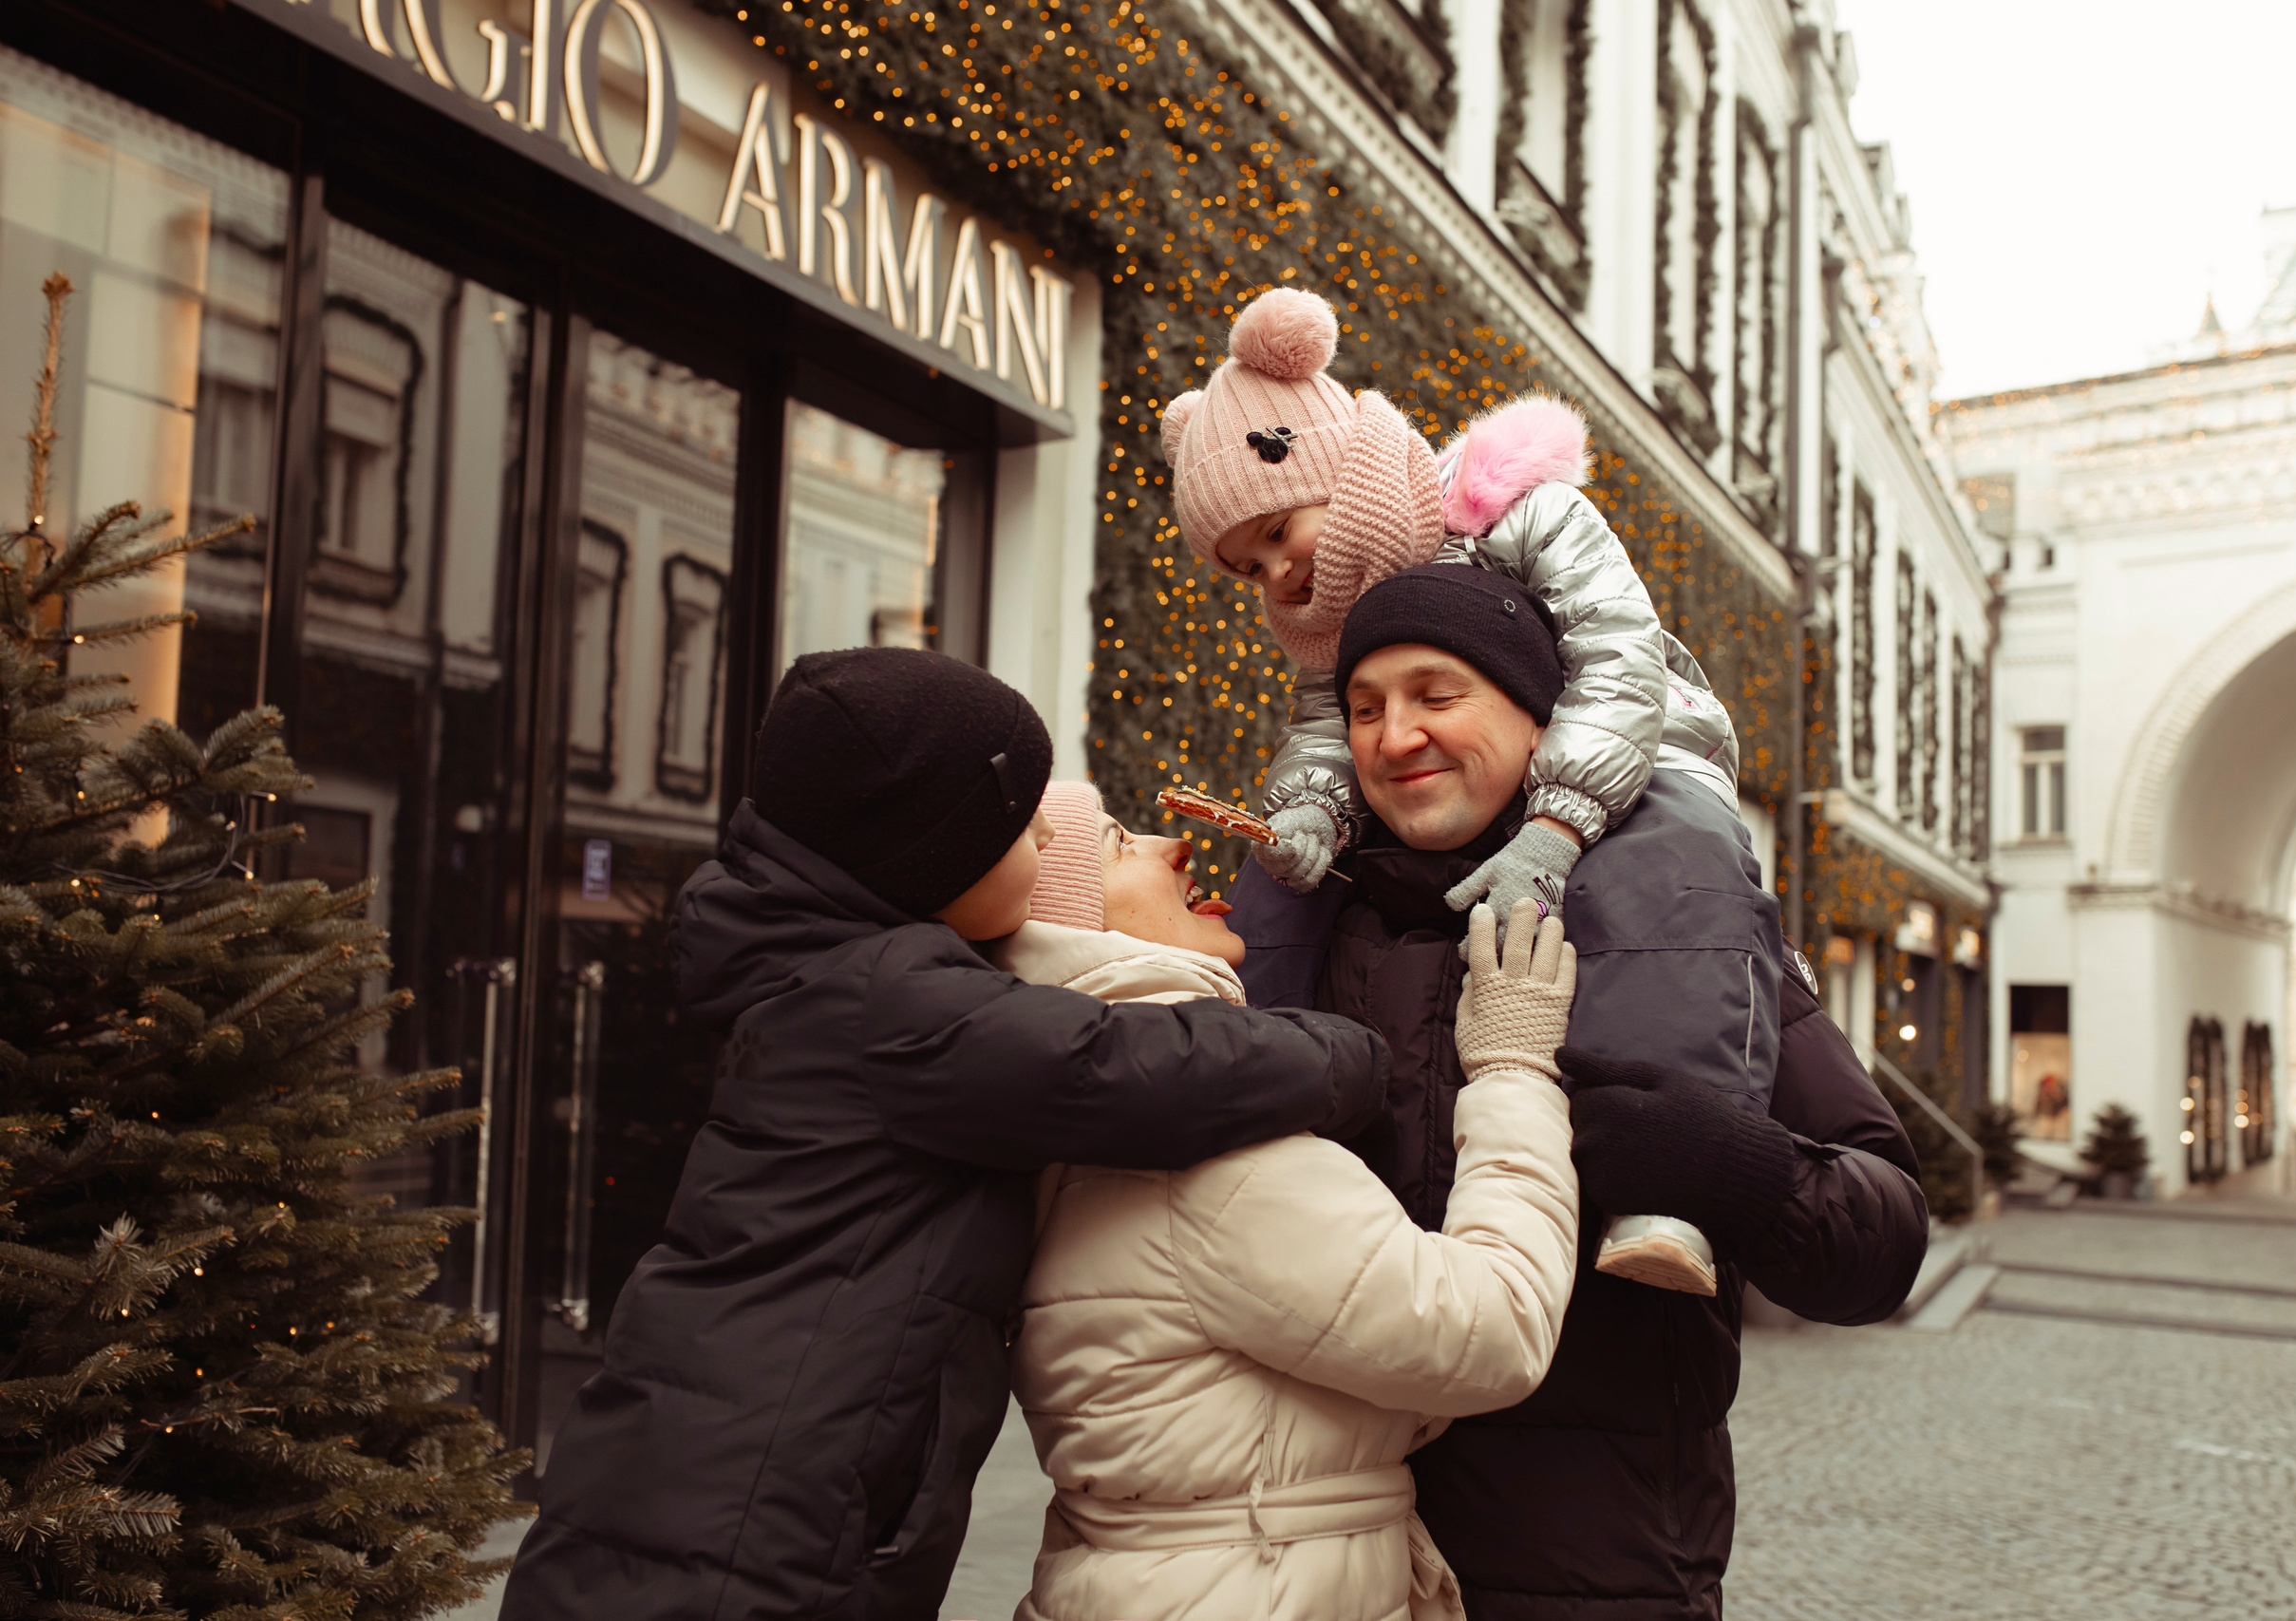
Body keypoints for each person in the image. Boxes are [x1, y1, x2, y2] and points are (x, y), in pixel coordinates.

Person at [500, 649, 1390, 1621]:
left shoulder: (843, 982)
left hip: (713, 1483)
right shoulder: (898, 1007)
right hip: (748, 1521)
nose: (1047, 833)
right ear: (933, 854)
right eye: (1022, 825)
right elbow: (1130, 1066)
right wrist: (1353, 1054)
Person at [1230, 572, 1930, 1621]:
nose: (1396, 736)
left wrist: (1729, 1166)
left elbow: (1883, 1242)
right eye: (1365, 708)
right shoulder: (1299, 933)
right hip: (1322, 1562)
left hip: (1598, 1568)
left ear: (1541, 719)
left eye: (1436, 695)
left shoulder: (1685, 926)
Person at [1159, 288, 1745, 1291]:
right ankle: (1241, 1112)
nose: (1277, 572)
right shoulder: (1325, 620)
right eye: (1248, 566)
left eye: (1278, 530)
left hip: (1640, 739)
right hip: (1507, 786)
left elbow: (1618, 655)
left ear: (1329, 471)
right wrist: (1308, 812)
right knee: (1278, 886)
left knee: (1670, 866)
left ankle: (1667, 1183)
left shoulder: (1511, 508)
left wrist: (1557, 824)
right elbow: (1321, 731)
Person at [986, 782, 1580, 1620]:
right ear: (1070, 925)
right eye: (1119, 844)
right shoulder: (1196, 1146)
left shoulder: (1073, 1110)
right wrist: (1513, 1070)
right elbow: (1496, 1325)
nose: (1174, 846)